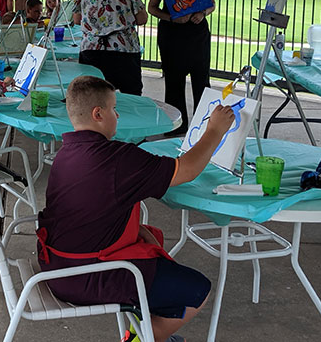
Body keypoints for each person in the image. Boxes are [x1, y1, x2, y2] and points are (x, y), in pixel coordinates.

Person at [37, 76, 234, 342]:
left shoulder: (66, 153)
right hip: (86, 276)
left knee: (151, 245)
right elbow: (186, 170)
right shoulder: (117, 159)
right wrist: (215, 130)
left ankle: (147, 330)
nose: (117, 115)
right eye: (113, 108)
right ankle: (142, 338)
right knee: (197, 290)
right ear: (98, 114)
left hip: (56, 266)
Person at [147, 0, 215, 136]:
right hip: (172, 37)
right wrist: (171, 18)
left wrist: (203, 13)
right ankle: (177, 126)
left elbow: (211, 4)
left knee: (202, 82)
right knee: (174, 83)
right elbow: (152, 8)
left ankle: (204, 127)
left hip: (198, 36)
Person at [72, 0, 149, 96]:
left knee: (92, 96)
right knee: (131, 96)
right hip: (124, 50)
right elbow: (142, 19)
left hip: (92, 50)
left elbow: (76, 19)